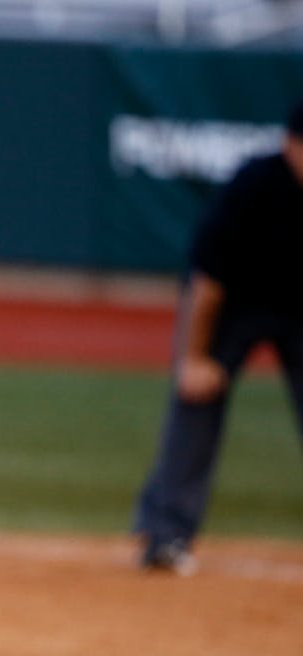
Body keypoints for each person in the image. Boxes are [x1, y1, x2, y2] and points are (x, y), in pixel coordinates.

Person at [133, 99, 303, 575]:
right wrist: (194, 358)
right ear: (291, 145)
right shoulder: (252, 187)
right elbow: (206, 284)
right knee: (195, 404)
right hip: (236, 305)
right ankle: (165, 534)